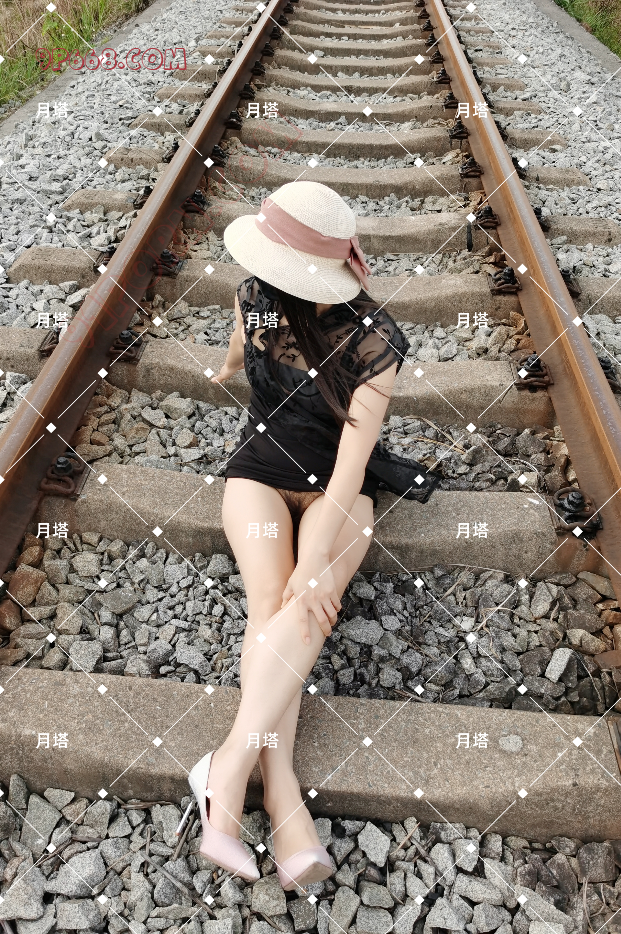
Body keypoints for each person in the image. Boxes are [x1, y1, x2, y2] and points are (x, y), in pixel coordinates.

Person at [187, 181, 435, 892]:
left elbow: (353, 464)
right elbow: (239, 341)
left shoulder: (375, 342)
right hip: (261, 470)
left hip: (338, 486)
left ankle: (228, 769)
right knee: (272, 602)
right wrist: (225, 369)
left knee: (306, 601)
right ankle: (283, 794)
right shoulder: (256, 298)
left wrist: (316, 559)